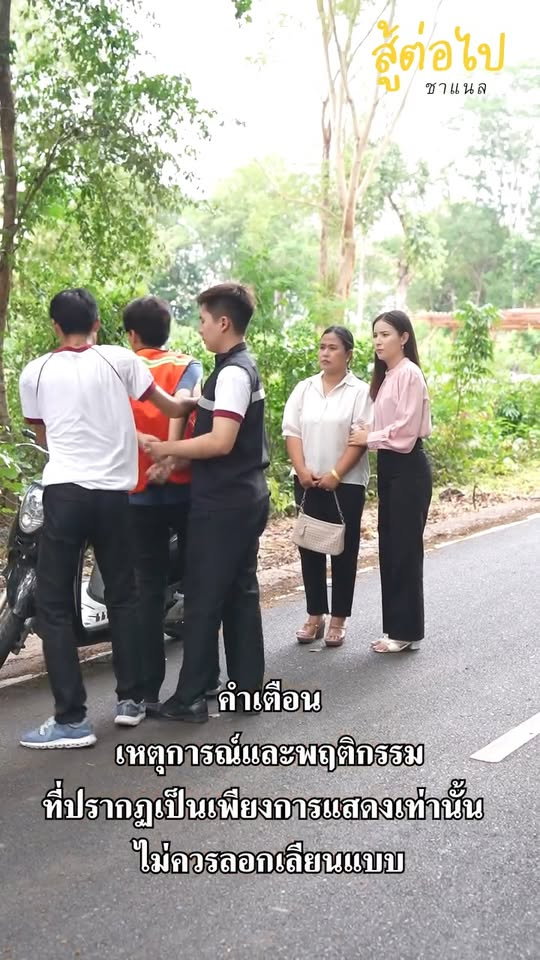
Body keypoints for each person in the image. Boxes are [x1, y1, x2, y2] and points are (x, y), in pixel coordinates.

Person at [17, 288, 197, 749]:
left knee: (54, 605)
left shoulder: (35, 371)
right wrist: (194, 400)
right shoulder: (122, 360)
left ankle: (71, 718)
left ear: (55, 326)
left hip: (65, 494)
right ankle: (131, 700)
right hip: (116, 497)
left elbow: (42, 431)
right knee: (124, 595)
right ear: (98, 324)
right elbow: (171, 407)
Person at [143, 282, 269, 723]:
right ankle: (248, 689)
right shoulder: (235, 368)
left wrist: (165, 449)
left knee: (202, 597)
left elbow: (220, 441)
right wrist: (155, 395)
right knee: (239, 593)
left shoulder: (233, 373)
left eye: (202, 320)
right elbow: (189, 408)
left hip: (225, 503)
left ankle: (191, 698)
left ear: (224, 322)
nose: (199, 328)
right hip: (243, 496)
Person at [123, 295, 221, 715]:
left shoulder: (121, 368)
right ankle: (205, 679)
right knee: (198, 584)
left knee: (147, 589)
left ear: (132, 335)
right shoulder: (186, 364)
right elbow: (185, 405)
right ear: (166, 330)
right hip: (184, 488)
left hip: (138, 491)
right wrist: (171, 455)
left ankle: (146, 690)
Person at [282, 326, 372, 647]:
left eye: (333, 348)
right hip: (307, 481)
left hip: (346, 483)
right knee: (309, 548)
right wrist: (301, 470)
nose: (325, 353)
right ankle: (315, 615)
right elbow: (292, 431)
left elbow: (360, 438)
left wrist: (336, 473)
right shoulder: (304, 388)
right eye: (322, 347)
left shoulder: (360, 391)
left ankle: (338, 619)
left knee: (343, 551)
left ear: (349, 354)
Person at [349, 309, 432, 653]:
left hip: (408, 467)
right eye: (375, 335)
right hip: (390, 466)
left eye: (385, 334)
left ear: (404, 337)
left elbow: (406, 432)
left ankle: (405, 631)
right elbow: (384, 426)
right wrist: (366, 432)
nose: (378, 341)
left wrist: (368, 437)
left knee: (404, 550)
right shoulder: (387, 376)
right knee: (391, 546)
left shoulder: (409, 373)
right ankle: (399, 629)